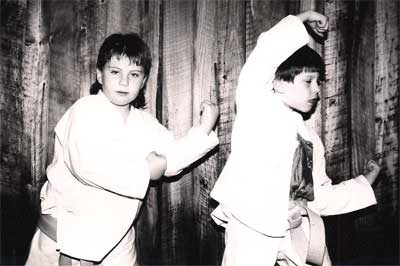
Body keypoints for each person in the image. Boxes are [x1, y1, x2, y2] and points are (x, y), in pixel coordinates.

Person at [25, 32, 219, 266]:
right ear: (99, 74)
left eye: (134, 74)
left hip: (117, 241)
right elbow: (86, 165)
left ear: (144, 80)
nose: (124, 82)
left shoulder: (145, 124)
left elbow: (171, 157)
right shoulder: (84, 111)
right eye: (115, 72)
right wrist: (145, 170)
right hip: (66, 237)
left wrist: (204, 129)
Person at [210, 10, 381, 266]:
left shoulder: (309, 139)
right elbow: (263, 57)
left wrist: (364, 184)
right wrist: (302, 19)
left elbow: (319, 197)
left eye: (319, 83)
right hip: (251, 224)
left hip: (296, 222)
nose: (316, 90)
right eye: (308, 81)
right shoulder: (257, 108)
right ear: (278, 83)